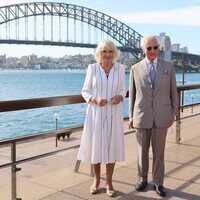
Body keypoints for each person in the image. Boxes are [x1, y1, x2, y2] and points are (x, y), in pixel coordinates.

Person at [129, 35, 178, 197]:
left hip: (162, 116)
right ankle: (142, 179)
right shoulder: (135, 68)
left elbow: (173, 92)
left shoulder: (169, 67)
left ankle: (158, 182)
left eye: (155, 47)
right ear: (143, 49)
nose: (152, 51)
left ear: (159, 48)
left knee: (159, 152)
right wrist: (130, 116)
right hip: (141, 116)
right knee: (141, 151)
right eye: (149, 48)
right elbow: (133, 95)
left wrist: (174, 113)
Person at [77, 39, 127, 197]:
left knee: (111, 147)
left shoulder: (120, 69)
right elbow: (85, 91)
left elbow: (124, 89)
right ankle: (96, 180)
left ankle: (109, 182)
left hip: (113, 112)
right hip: (96, 114)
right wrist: (95, 99)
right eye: (104, 51)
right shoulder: (92, 68)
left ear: (115, 54)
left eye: (111, 51)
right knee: (96, 147)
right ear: (99, 53)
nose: (107, 54)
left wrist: (121, 96)